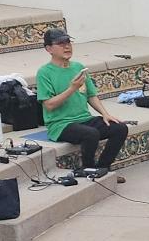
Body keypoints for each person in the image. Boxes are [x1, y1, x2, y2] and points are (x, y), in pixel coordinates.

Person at [36, 28, 129, 177]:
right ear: (49, 49)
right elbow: (49, 105)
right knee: (90, 134)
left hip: (84, 119)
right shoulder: (44, 72)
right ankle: (88, 169)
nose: (67, 46)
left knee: (120, 128)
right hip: (60, 125)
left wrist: (105, 114)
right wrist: (72, 88)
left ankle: (103, 168)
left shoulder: (78, 67)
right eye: (60, 43)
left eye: (68, 42)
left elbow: (91, 95)